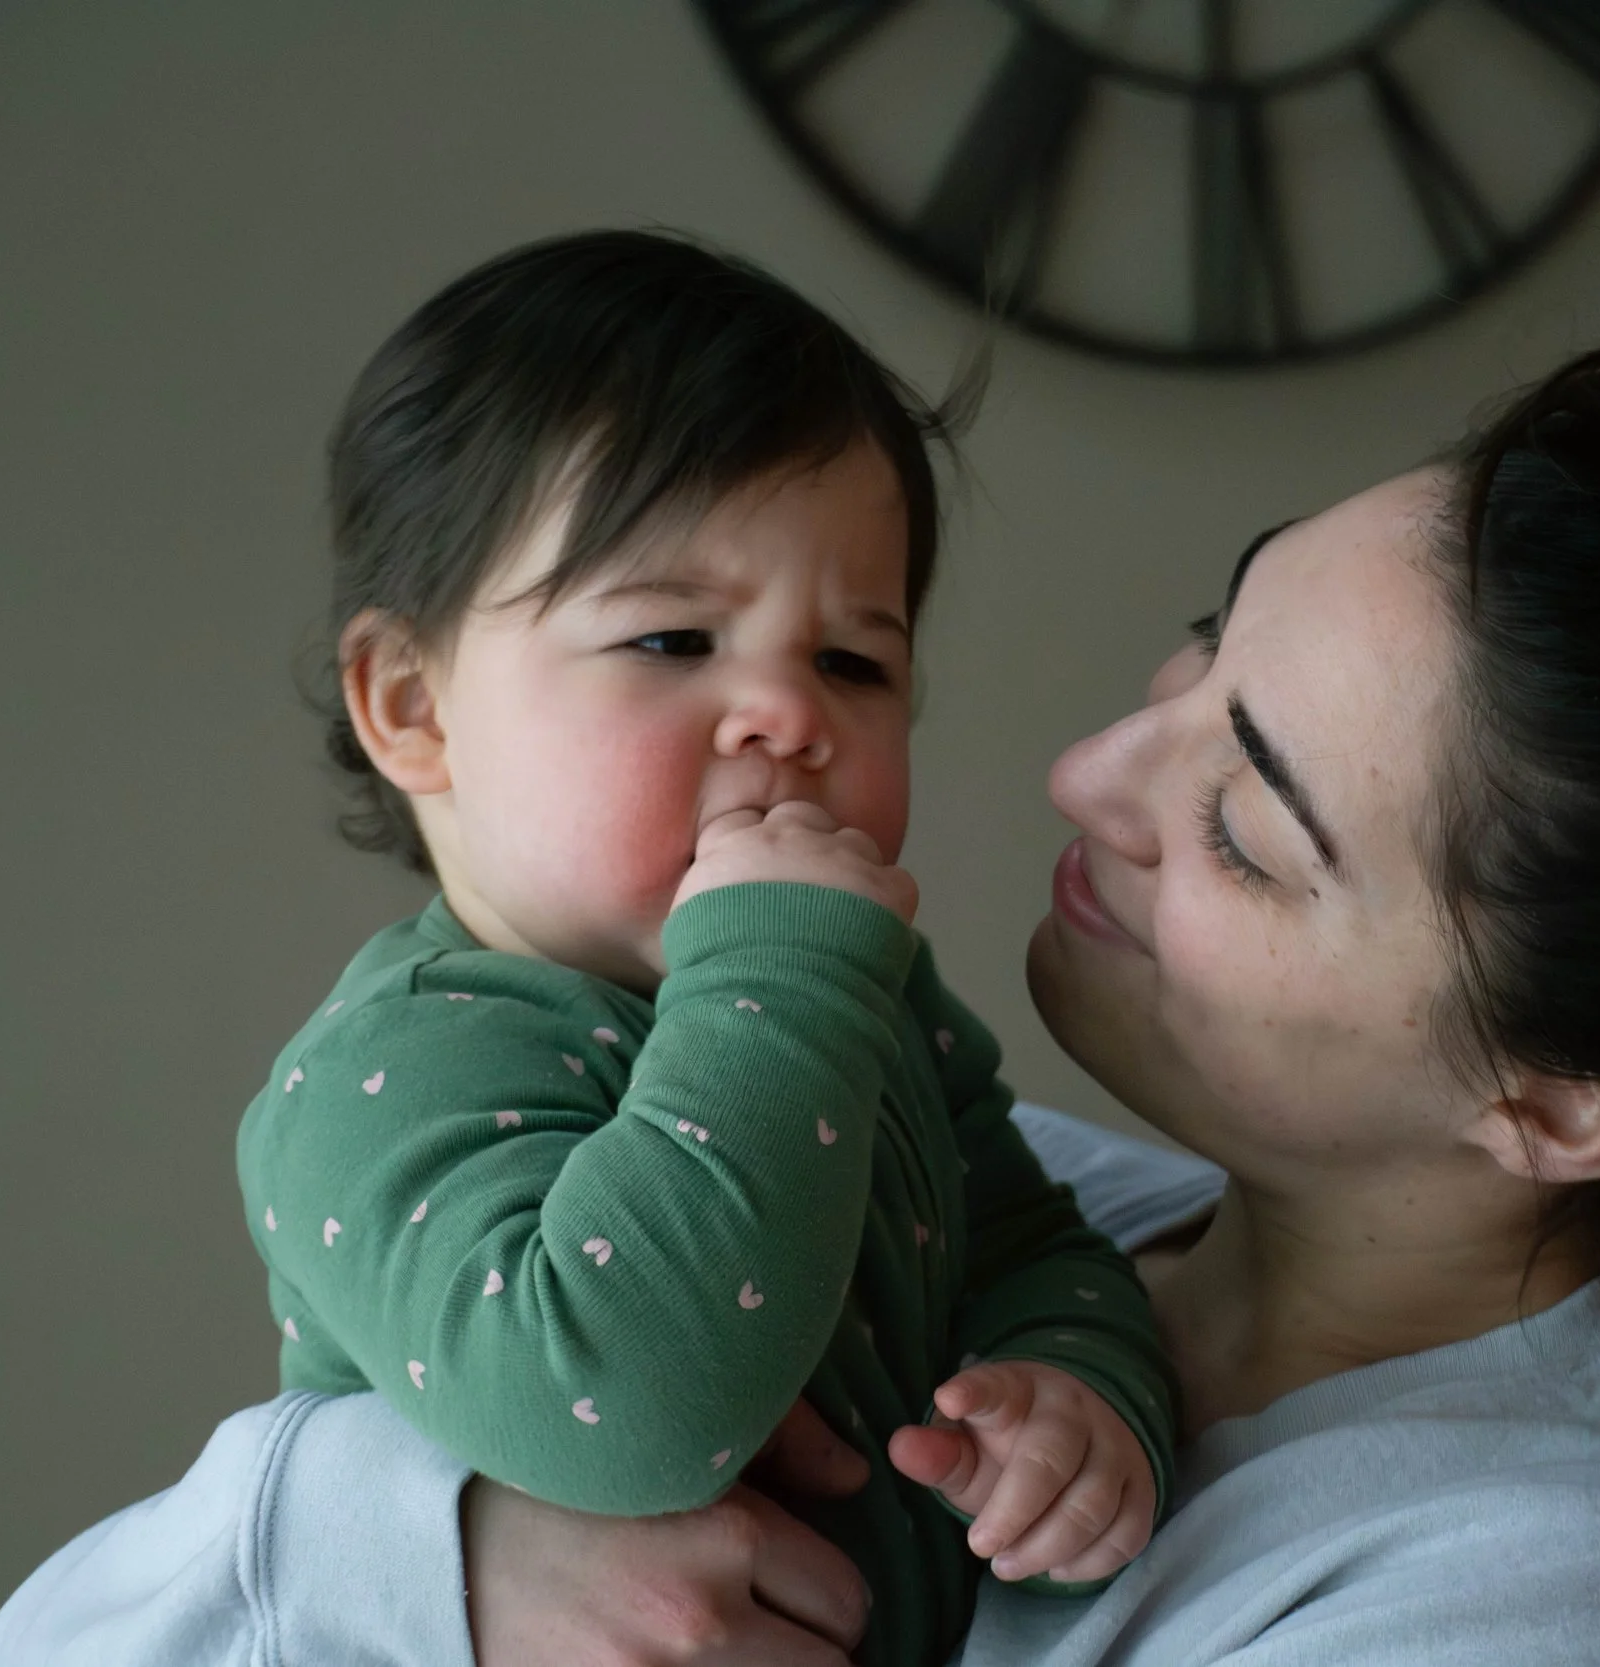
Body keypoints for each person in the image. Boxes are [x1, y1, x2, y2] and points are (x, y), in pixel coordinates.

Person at [0, 339, 1600, 1667]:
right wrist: (428, 1541)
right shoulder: (999, 1203)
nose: (1080, 770)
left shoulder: (1543, 1604)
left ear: (1556, 1101)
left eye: (1249, 821)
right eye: (1197, 646)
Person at [222, 231, 1178, 1667]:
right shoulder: (377, 1083)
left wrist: (1075, 1391)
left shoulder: (857, 994)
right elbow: (624, 1417)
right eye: (674, 639)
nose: (788, 718)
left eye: (855, 662)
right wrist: (781, 982)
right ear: (413, 706)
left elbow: (1031, 1242)